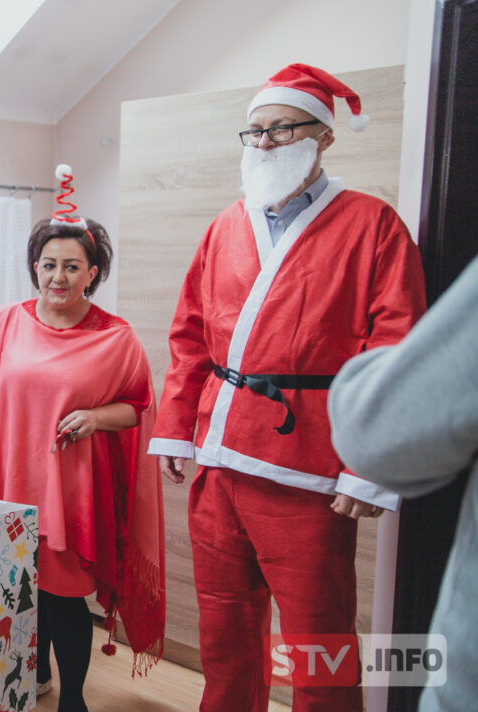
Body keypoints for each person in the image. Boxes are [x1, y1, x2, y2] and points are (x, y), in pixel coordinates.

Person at [149, 64, 427, 711]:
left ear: (323, 135)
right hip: (218, 462)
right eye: (255, 132)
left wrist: (370, 465)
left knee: (317, 644)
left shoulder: (372, 224)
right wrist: (174, 428)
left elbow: (395, 351)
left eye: (281, 128)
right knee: (224, 631)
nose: (265, 143)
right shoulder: (226, 225)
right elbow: (189, 334)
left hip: (309, 475)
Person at [0, 165, 165, 712]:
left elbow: (137, 408)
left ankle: (73, 699)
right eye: (49, 265)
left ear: (93, 272)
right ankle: (33, 675)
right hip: (5, 482)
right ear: (35, 268)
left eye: (72, 267)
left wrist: (95, 417)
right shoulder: (3, 324)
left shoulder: (117, 338)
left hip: (69, 491)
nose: (59, 277)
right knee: (18, 593)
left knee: (64, 597)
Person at [329, 256, 478, 712]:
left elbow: (378, 425)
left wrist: (360, 476)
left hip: (323, 472)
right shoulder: (225, 230)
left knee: (317, 630)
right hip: (225, 455)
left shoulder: (372, 226)